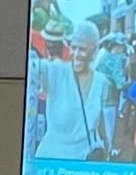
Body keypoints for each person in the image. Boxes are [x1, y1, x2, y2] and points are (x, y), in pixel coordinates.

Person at [29, 21, 116, 162]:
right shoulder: (56, 71)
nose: (76, 54)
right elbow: (33, 68)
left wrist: (106, 148)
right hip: (51, 163)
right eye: (73, 47)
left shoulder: (102, 83)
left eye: (82, 49)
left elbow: (104, 128)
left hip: (83, 166)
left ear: (94, 50)